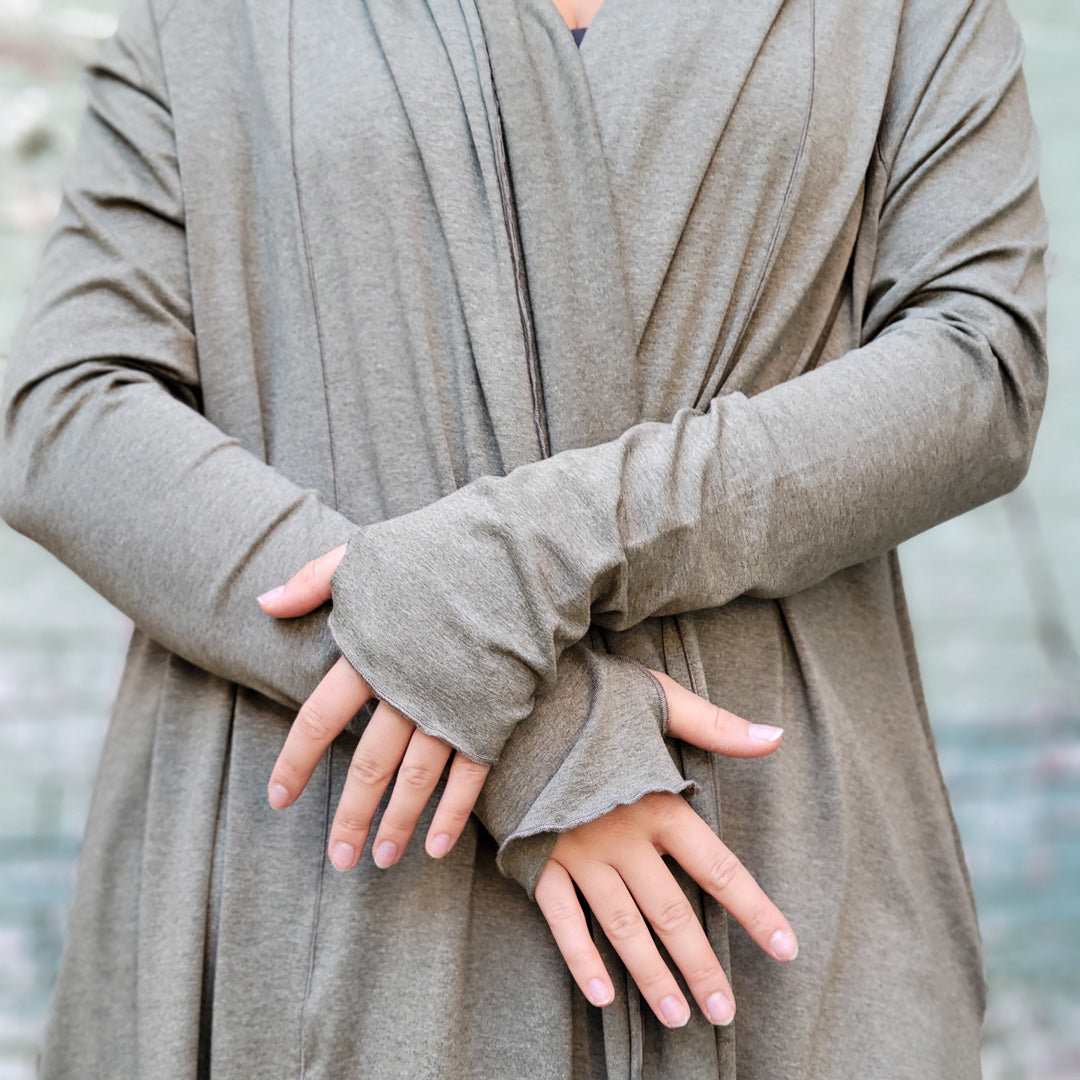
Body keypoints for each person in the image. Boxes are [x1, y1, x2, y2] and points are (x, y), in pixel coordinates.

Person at [0, 0, 1048, 1076]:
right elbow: (72, 408)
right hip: (338, 870)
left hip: (772, 854)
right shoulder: (207, 20)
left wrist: (531, 555)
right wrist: (530, 726)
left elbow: (977, 374)